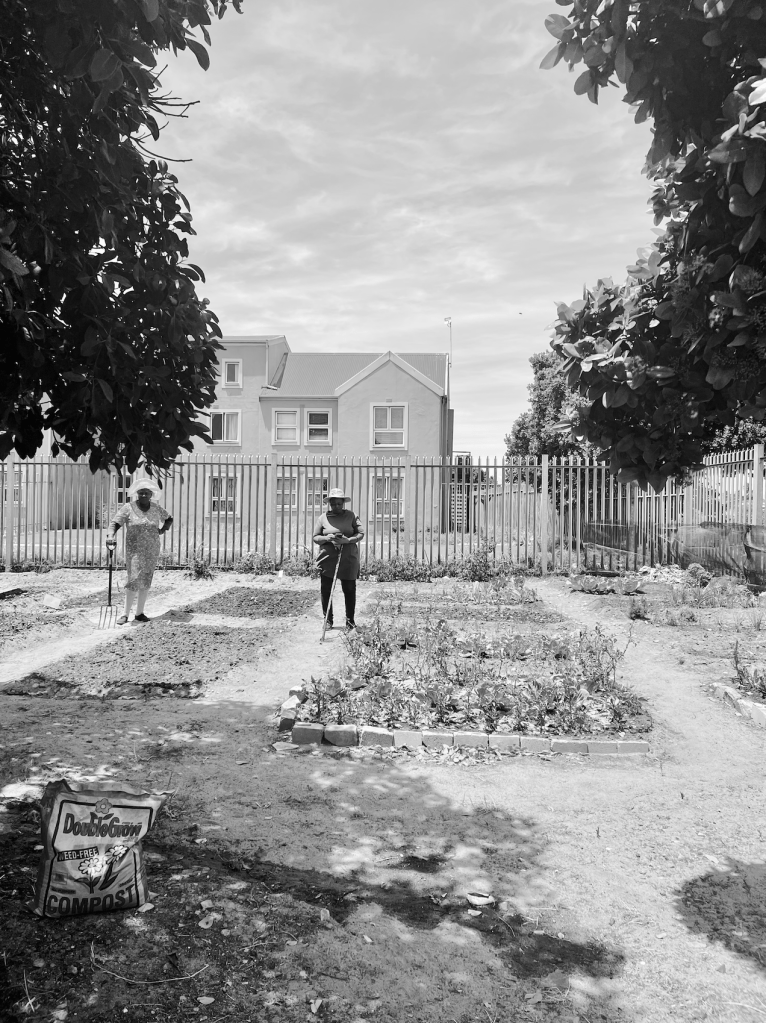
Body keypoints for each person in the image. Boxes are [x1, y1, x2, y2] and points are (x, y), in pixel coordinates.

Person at [106, 479, 173, 625]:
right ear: (137, 493)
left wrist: (163, 529)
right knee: (134, 578)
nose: (143, 495)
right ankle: (125, 614)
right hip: (134, 550)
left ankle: (139, 613)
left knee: (146, 578)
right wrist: (110, 535)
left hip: (152, 549)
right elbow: (115, 523)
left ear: (151, 495)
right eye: (141, 492)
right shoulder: (128, 508)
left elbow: (169, 519)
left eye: (146, 493)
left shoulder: (156, 508)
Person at [313, 488, 364, 631]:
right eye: (333, 504)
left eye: (339, 504)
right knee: (326, 590)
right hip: (328, 559)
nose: (336, 507)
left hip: (348, 558)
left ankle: (350, 621)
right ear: (329, 504)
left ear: (343, 503)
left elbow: (360, 533)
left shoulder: (351, 516)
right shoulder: (323, 518)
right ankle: (328, 620)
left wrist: (348, 540)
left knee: (349, 589)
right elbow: (315, 537)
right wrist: (326, 538)